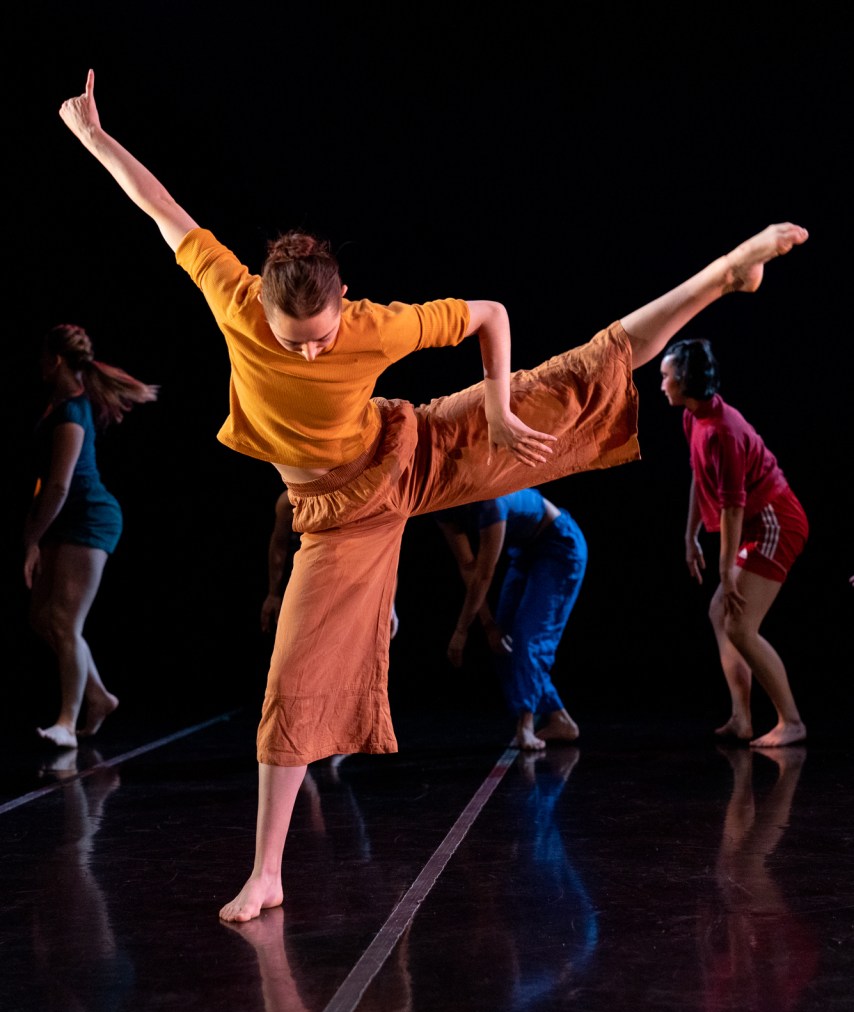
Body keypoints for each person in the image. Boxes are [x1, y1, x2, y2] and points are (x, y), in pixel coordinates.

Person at [58, 67, 808, 921]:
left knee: (572, 378)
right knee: (292, 675)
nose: (306, 355)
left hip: (410, 450)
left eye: (319, 339)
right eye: (290, 340)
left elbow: (489, 313)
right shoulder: (233, 295)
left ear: (343, 304)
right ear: (260, 307)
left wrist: (492, 406)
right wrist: (93, 136)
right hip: (334, 522)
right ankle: (267, 872)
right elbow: (163, 209)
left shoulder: (374, 323)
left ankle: (721, 272)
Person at [660, 338, 808, 747]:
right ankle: (742, 719)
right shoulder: (694, 418)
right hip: (754, 523)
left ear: (685, 380)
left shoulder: (723, 431)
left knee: (740, 625)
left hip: (776, 522)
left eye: (666, 376)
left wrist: (726, 570)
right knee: (719, 612)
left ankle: (791, 721)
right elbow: (698, 476)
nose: (662, 384)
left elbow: (732, 508)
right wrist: (689, 534)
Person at [24, 323, 158, 749]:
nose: (40, 366)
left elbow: (61, 486)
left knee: (64, 620)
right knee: (42, 618)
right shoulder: (58, 405)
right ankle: (99, 697)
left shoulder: (71, 412)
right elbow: (46, 483)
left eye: (44, 358)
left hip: (89, 518)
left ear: (56, 360)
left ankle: (67, 722)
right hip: (64, 520)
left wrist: (31, 539)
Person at [435, 488, 587, 750]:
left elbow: (484, 576)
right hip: (525, 551)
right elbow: (468, 567)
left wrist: (461, 632)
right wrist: (487, 625)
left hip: (560, 546)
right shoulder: (442, 505)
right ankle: (559, 718)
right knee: (501, 641)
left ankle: (526, 725)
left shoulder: (489, 501)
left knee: (527, 639)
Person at [261, 484, 399, 637]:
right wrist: (273, 594)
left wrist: (389, 604)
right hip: (305, 589)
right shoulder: (291, 501)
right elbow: (279, 546)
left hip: (348, 591)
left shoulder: (364, 499)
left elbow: (384, 553)